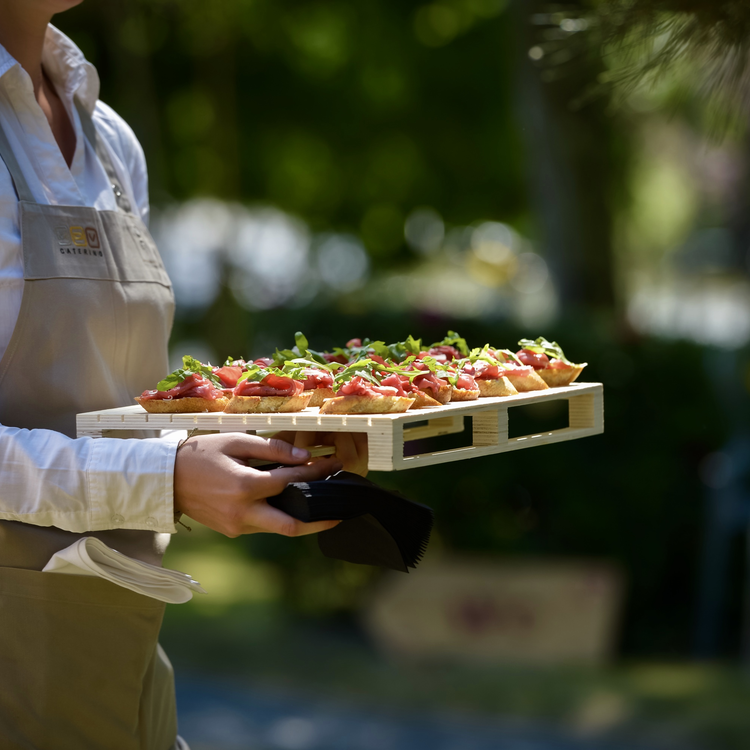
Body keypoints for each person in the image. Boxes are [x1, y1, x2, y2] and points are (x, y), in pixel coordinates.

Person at [0, 2, 366, 748]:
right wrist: (165, 479)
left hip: (120, 628)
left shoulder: (107, 136)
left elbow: (119, 405)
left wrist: (266, 440)